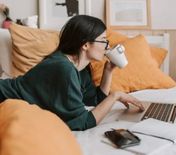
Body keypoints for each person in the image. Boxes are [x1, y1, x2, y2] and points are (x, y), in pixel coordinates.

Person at [0, 15, 144, 130]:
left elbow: (95, 102)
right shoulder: (64, 69)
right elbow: (83, 123)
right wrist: (115, 96)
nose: (107, 47)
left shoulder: (80, 69)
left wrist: (108, 71)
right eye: (103, 41)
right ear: (86, 45)